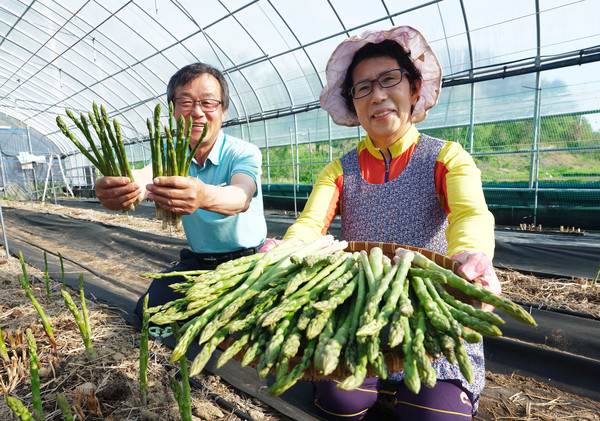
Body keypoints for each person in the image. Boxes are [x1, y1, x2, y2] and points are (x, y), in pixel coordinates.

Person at [279, 26, 501, 420]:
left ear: (414, 89)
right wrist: (285, 248)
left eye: (388, 80)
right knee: (340, 403)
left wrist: (472, 254)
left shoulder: (445, 157)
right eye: (362, 88)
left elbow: (470, 214)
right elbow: (310, 224)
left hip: (430, 312)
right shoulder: (340, 170)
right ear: (352, 103)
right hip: (359, 308)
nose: (377, 95)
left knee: (435, 417)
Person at [94, 62, 267, 321]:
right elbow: (144, 178)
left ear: (224, 110)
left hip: (249, 263)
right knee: (149, 314)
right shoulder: (169, 154)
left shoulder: (242, 152)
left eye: (208, 103)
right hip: (199, 263)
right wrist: (122, 189)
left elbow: (241, 195)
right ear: (173, 110)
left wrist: (204, 196)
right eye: (185, 102)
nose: (196, 112)